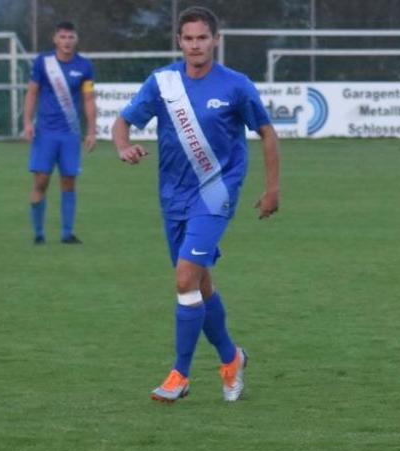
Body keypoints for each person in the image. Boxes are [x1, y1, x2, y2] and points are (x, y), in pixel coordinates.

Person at [111, 6, 281, 403]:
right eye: (188, 39)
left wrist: (272, 189)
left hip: (216, 194)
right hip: (173, 197)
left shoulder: (236, 85)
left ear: (215, 40)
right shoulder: (163, 82)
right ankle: (231, 357)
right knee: (199, 286)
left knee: (185, 278)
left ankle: (179, 374)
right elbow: (122, 122)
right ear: (179, 42)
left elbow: (268, 135)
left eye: (202, 38)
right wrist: (122, 146)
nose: (195, 45)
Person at [23, 21, 96, 245]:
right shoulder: (43, 62)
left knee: (68, 181)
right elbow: (32, 92)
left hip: (70, 134)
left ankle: (67, 234)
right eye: (62, 37)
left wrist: (91, 130)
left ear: (76, 40)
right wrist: (27, 121)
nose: (67, 41)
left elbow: (88, 98)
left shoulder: (84, 66)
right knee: (41, 181)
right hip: (45, 132)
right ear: (55, 39)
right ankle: (38, 233)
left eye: (70, 37)